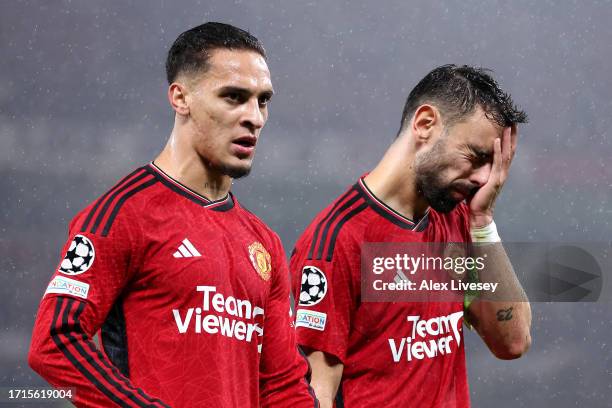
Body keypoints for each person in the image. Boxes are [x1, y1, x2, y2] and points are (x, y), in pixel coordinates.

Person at [28, 22, 318, 408]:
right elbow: (56, 340)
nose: (255, 117)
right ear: (181, 98)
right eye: (234, 97)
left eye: (262, 100)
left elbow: (284, 387)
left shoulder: (262, 241)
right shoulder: (123, 214)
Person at [290, 65, 532, 407]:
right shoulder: (338, 240)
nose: (483, 179)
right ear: (425, 124)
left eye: (491, 166)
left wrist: (483, 221)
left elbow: (513, 341)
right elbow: (318, 390)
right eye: (476, 157)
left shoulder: (459, 220)